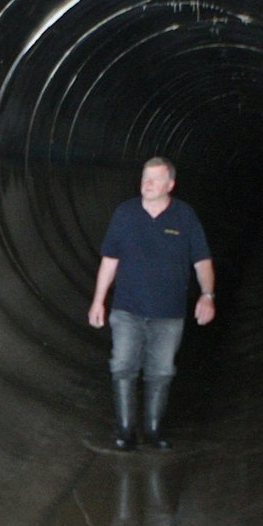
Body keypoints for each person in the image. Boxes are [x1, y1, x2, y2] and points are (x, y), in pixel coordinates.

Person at [86, 156, 215, 450]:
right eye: (145, 178)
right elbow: (110, 260)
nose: (148, 184)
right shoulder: (125, 214)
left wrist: (208, 295)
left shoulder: (184, 216)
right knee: (122, 366)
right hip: (127, 308)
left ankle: (154, 430)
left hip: (168, 312)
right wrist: (98, 301)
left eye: (156, 179)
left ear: (170, 184)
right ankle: (126, 432)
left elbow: (202, 260)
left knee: (161, 371)